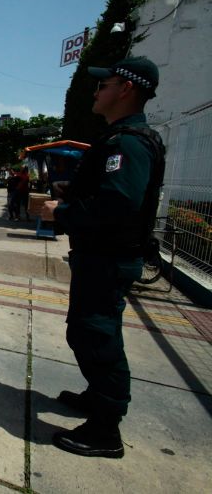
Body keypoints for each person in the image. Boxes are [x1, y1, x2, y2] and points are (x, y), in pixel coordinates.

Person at [42, 56, 165, 458]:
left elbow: (119, 205)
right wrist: (74, 192)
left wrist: (62, 213)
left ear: (126, 88)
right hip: (102, 257)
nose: (96, 92)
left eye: (104, 85)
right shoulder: (121, 138)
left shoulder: (127, 142)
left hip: (108, 259)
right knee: (89, 332)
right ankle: (98, 397)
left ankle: (105, 430)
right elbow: (111, 194)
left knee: (97, 337)